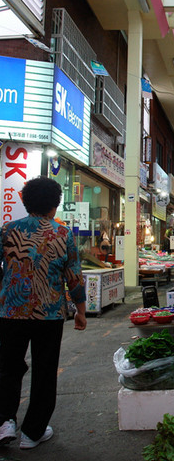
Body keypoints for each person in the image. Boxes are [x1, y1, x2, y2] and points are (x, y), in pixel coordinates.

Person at [0, 177, 86, 449]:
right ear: (55, 204)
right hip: (48, 314)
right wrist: (80, 311)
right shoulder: (63, 234)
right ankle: (32, 432)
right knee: (45, 371)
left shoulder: (7, 230)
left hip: (10, 311)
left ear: (25, 201)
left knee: (7, 368)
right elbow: (74, 277)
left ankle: (5, 422)